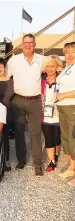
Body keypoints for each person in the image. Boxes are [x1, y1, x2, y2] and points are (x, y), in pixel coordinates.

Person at [7, 33, 44, 176]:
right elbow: (5, 76)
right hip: (18, 100)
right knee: (19, 132)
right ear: (22, 45)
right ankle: (21, 160)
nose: (28, 45)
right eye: (26, 42)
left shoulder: (42, 59)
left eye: (31, 42)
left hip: (35, 101)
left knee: (35, 133)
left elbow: (53, 71)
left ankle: (37, 164)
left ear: (35, 44)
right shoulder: (13, 60)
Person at [56, 42, 75, 186]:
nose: (69, 54)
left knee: (74, 138)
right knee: (67, 138)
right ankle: (72, 167)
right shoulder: (67, 68)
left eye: (73, 52)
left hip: (72, 106)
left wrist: (63, 95)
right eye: (67, 52)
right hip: (63, 107)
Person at [41, 55, 63, 172]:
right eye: (47, 66)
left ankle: (56, 153)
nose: (49, 69)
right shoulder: (41, 80)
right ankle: (51, 161)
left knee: (57, 137)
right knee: (48, 137)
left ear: (57, 67)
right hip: (45, 115)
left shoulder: (61, 80)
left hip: (59, 114)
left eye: (52, 66)